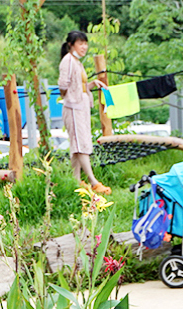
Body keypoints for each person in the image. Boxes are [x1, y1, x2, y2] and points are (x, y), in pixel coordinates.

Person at [58, 31, 111, 195]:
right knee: (81, 145)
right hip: (73, 107)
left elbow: (79, 87)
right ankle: (93, 181)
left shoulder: (77, 62)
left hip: (81, 106)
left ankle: (75, 180)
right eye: (80, 43)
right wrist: (69, 98)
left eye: (85, 43)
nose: (84, 47)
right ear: (71, 45)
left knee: (77, 145)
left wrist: (92, 84)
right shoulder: (67, 61)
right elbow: (63, 85)